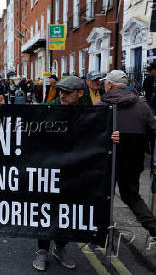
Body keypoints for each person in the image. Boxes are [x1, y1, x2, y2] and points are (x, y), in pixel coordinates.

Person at [33, 76, 120, 271]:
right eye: (61, 91)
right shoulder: (51, 107)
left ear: (80, 93)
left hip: (75, 170)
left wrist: (113, 136)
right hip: (51, 168)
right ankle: (42, 250)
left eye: (67, 92)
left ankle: (60, 247)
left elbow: (100, 135)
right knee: (47, 208)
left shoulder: (94, 111)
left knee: (68, 210)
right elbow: (28, 125)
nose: (62, 95)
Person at [99, 70, 156, 238]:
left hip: (106, 162)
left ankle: (97, 230)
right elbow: (153, 131)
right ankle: (152, 226)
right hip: (133, 162)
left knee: (100, 195)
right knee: (132, 196)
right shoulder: (142, 106)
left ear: (109, 84)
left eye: (105, 83)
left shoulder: (102, 107)